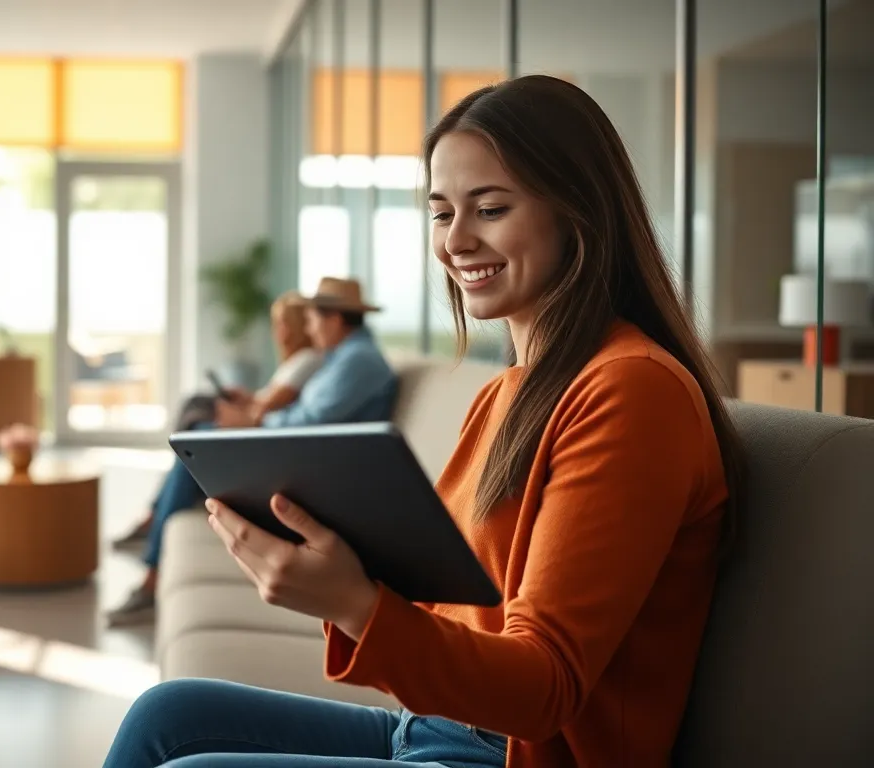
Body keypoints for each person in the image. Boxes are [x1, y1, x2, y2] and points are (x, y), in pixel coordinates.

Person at [102, 75, 746, 768]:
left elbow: (546, 687)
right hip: (440, 726)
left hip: (505, 753)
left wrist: (353, 602)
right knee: (166, 715)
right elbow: (455, 600)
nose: (457, 241)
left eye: (490, 209)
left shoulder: (631, 391)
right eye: (442, 214)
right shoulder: (510, 392)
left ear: (578, 212)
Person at [105, 277, 398, 627]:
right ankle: (153, 549)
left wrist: (251, 425)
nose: (308, 327)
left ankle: (151, 580)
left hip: (312, 470)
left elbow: (309, 424)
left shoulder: (358, 360)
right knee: (198, 439)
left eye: (313, 319)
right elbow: (307, 418)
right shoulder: (346, 356)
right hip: (306, 455)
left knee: (198, 443)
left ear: (334, 319)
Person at [113, 290, 324, 551]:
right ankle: (155, 520)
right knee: (195, 414)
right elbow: (270, 402)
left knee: (195, 431)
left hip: (261, 438)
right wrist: (247, 398)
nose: (275, 330)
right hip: (261, 429)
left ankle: (154, 528)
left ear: (294, 327)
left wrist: (247, 410)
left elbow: (268, 408)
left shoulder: (306, 360)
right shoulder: (294, 361)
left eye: (281, 323)